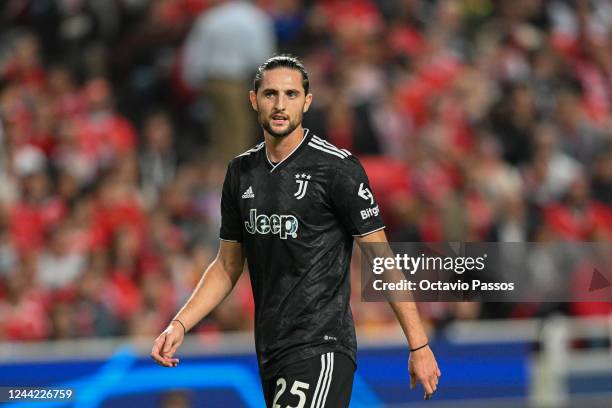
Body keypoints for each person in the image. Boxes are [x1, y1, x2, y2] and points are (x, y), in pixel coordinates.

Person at [151, 55, 441, 406]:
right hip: (271, 350)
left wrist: (419, 345)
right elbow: (227, 266)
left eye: (290, 95)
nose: (279, 104)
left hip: (322, 346)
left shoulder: (337, 168)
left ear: (306, 101)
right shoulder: (241, 173)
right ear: (253, 100)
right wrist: (179, 324)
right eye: (271, 94)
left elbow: (382, 260)